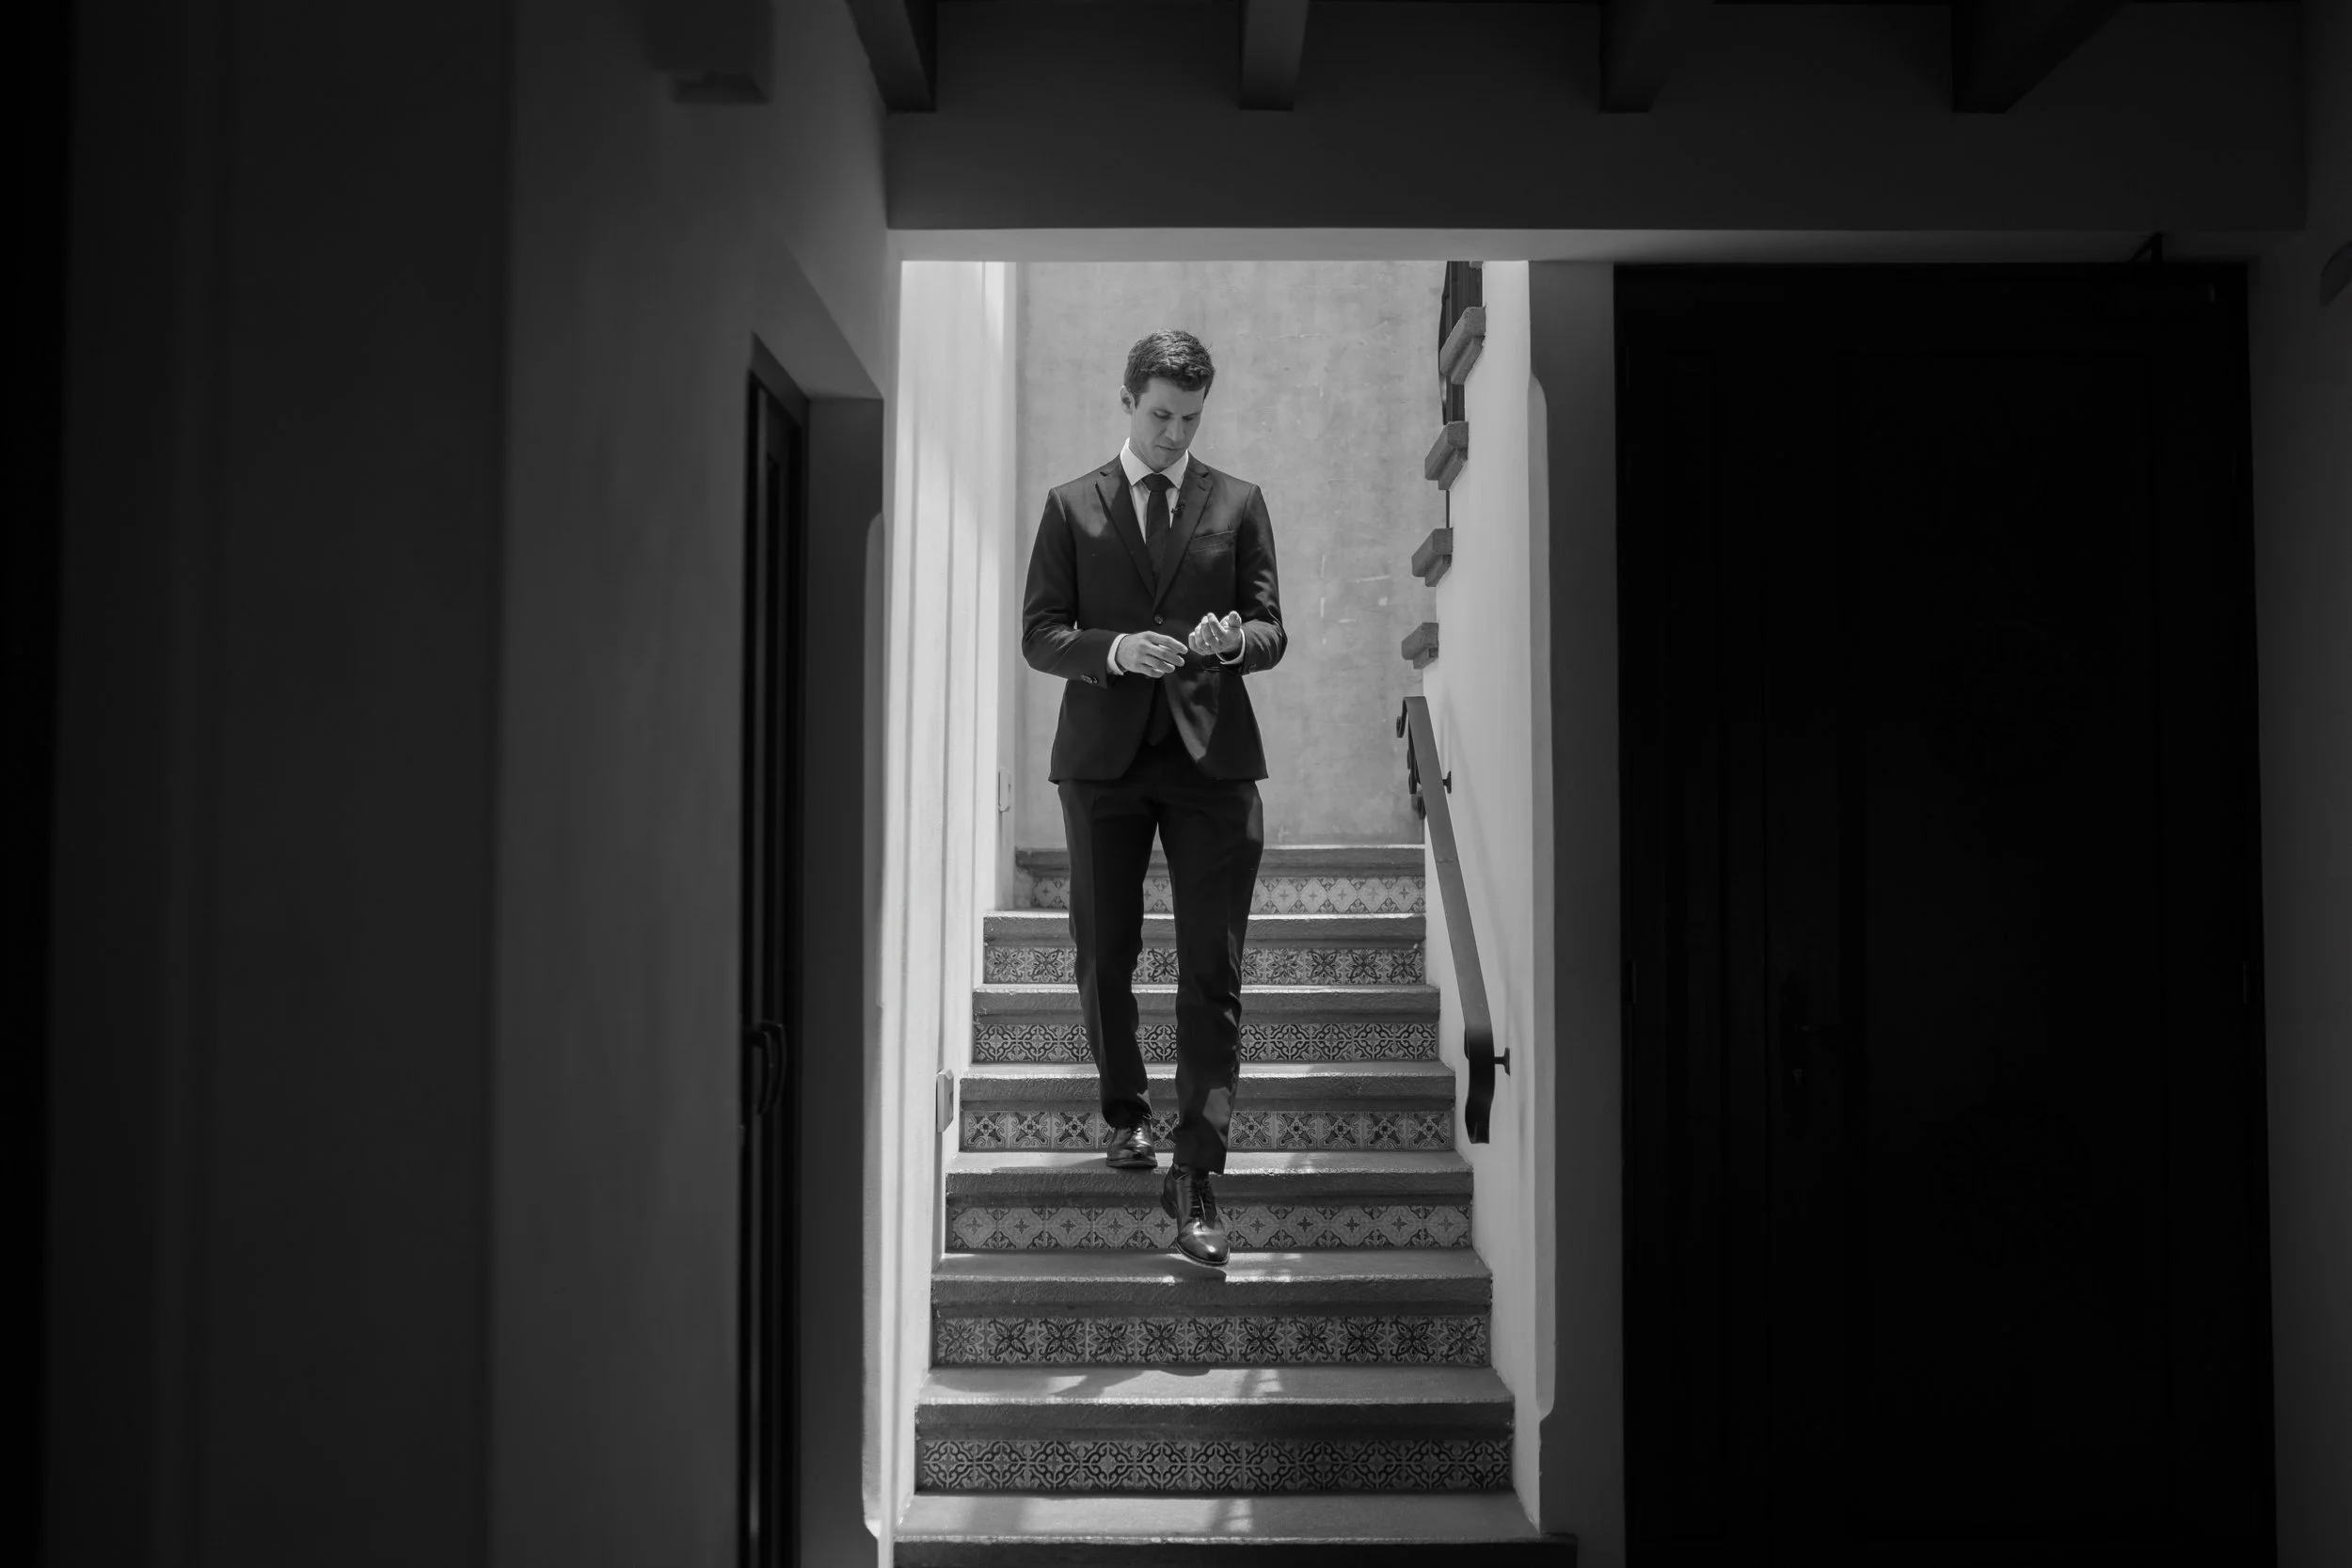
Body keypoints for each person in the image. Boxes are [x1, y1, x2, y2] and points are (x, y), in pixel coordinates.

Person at [1019, 328, 1287, 1268]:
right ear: (1127, 399)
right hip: (1102, 761)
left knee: (1211, 972)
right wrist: (1115, 651)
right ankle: (1125, 1112)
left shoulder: (1239, 502)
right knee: (1106, 953)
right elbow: (1040, 635)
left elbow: (1270, 629)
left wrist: (1227, 641)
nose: (1174, 433)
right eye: (1160, 414)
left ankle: (1197, 1165)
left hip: (1212, 763)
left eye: (1189, 418)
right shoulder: (1069, 507)